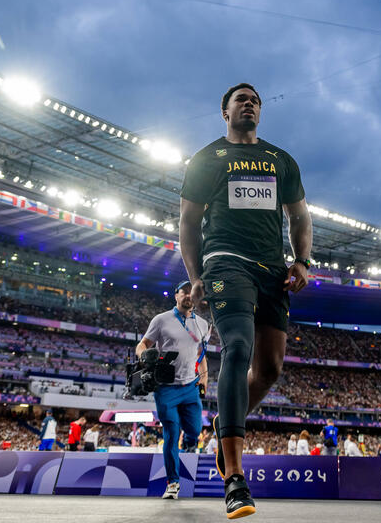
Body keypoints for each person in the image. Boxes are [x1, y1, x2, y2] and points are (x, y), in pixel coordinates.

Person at [180, 82, 312, 519]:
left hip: (272, 270)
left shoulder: (280, 160)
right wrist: (196, 277)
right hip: (225, 263)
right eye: (241, 99)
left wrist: (302, 261)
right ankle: (235, 477)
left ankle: (224, 422)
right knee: (237, 347)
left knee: (270, 368)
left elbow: (300, 215)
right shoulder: (207, 159)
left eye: (256, 99)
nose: (250, 103)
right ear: (225, 112)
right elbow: (188, 222)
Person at [135, 280, 211, 501]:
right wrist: (143, 357)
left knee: (195, 430)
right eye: (184, 292)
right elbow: (143, 345)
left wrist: (205, 378)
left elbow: (202, 355)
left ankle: (190, 441)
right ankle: (173, 483)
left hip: (190, 387)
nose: (188, 295)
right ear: (175, 296)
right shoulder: (161, 320)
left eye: (191, 292)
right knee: (171, 434)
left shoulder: (203, 324)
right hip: (166, 388)